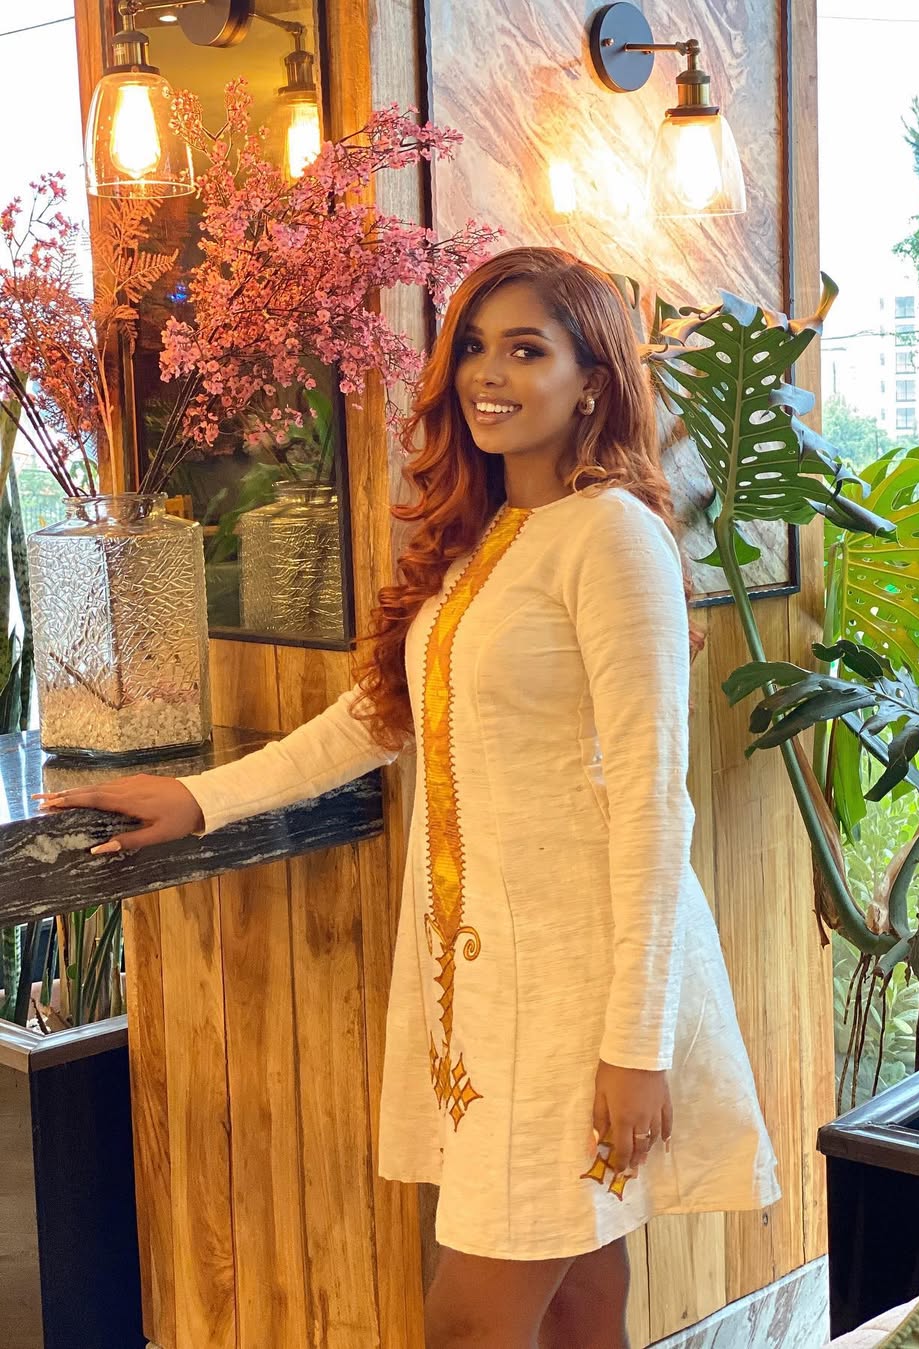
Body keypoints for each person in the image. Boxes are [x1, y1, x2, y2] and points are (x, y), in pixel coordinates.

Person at [36, 247, 778, 1349]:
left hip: (572, 1001)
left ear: (594, 379)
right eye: (474, 345)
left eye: (528, 348)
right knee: (577, 1291)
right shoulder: (485, 541)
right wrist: (199, 797)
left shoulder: (611, 535)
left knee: (469, 1323)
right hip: (479, 993)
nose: (490, 371)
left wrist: (637, 1044)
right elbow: (374, 722)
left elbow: (652, 801)